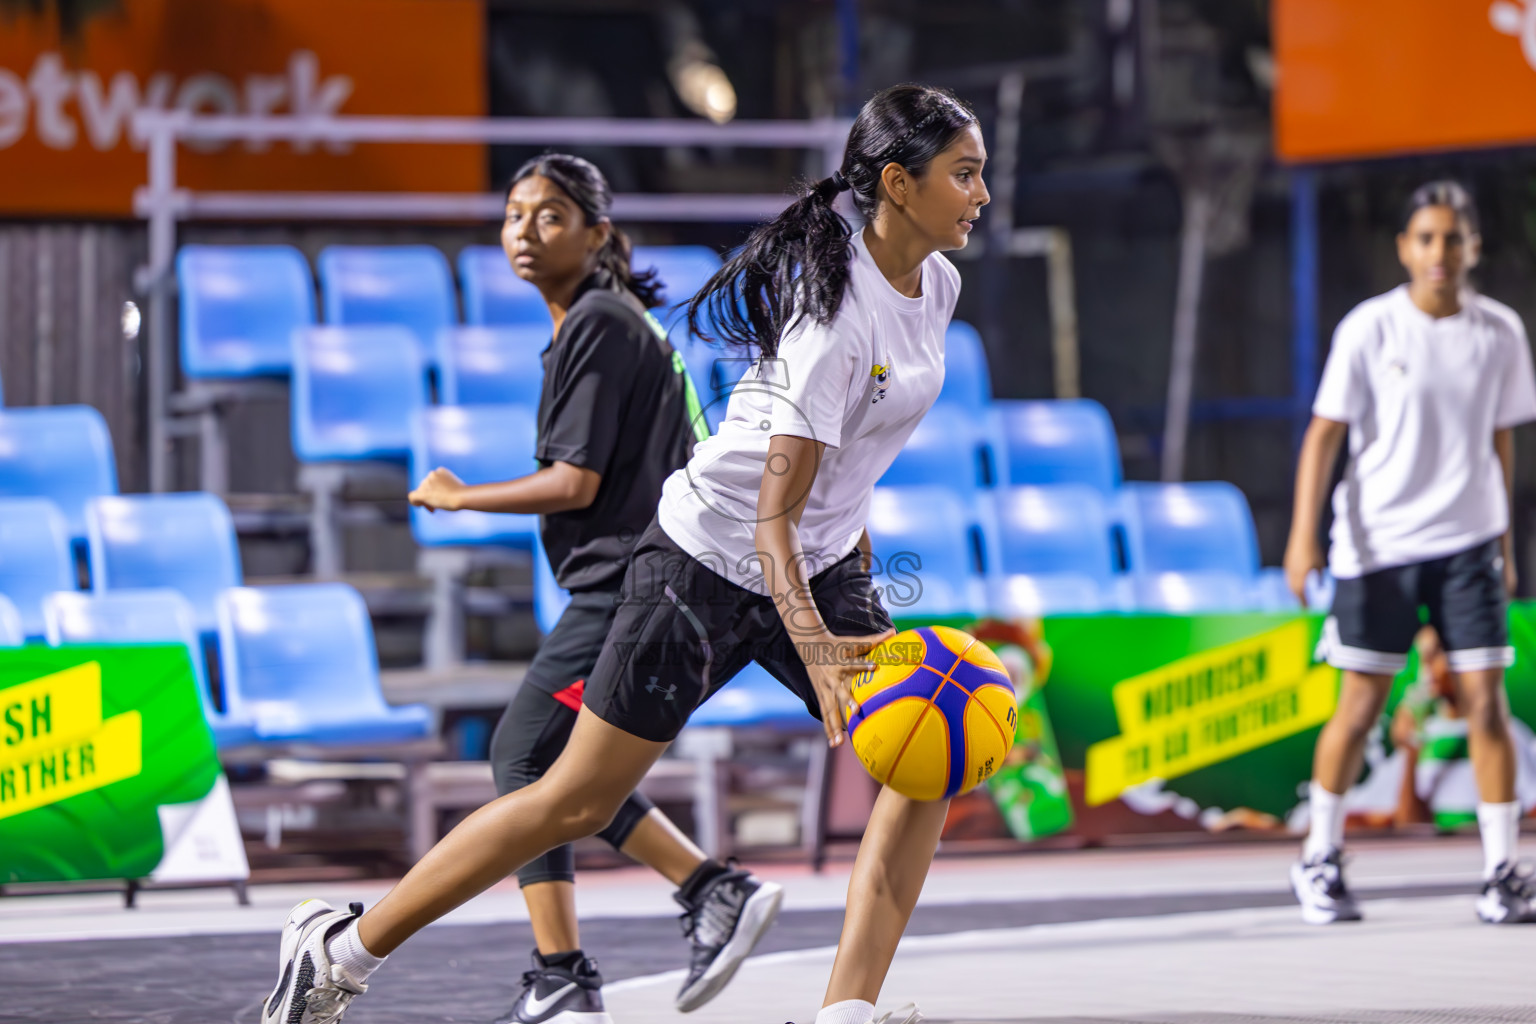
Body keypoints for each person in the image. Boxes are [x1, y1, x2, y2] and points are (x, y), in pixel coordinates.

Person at [261, 82, 987, 1024]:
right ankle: (339, 952)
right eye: (964, 174)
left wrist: (853, 586)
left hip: (820, 560)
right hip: (705, 560)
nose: (980, 194)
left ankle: (846, 1010)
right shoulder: (834, 319)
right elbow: (770, 517)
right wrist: (816, 644)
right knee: (569, 796)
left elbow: (854, 467)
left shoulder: (937, 283)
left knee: (925, 753)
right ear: (899, 181)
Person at [287, 153, 783, 1024]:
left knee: (522, 757)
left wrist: (457, 494)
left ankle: (567, 969)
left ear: (598, 232)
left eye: (549, 215)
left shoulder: (598, 321)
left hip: (631, 584)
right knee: (565, 768)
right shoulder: (608, 319)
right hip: (641, 579)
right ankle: (706, 891)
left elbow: (574, 483)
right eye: (514, 214)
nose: (524, 230)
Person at [1285, 180, 1536, 926]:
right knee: (1359, 707)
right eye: (1426, 238)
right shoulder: (1370, 328)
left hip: (1468, 545)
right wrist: (1302, 537)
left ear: (1473, 248)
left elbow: (1502, 438)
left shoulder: (1501, 332)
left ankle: (1501, 872)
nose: (1440, 252)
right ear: (1404, 248)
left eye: (1454, 238)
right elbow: (1324, 434)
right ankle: (1319, 859)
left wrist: (1504, 543)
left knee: (1486, 703)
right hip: (1377, 545)